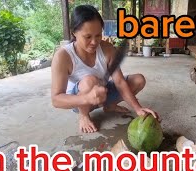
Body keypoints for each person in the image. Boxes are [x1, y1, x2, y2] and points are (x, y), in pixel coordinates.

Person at [51, 5, 159, 133]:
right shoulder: (63, 56)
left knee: (138, 80)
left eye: (98, 35)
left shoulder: (107, 49)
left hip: (102, 94)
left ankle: (109, 105)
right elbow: (56, 99)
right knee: (90, 81)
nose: (94, 42)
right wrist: (86, 98)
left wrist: (138, 108)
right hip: (79, 100)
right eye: (87, 37)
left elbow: (119, 82)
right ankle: (84, 116)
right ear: (74, 32)